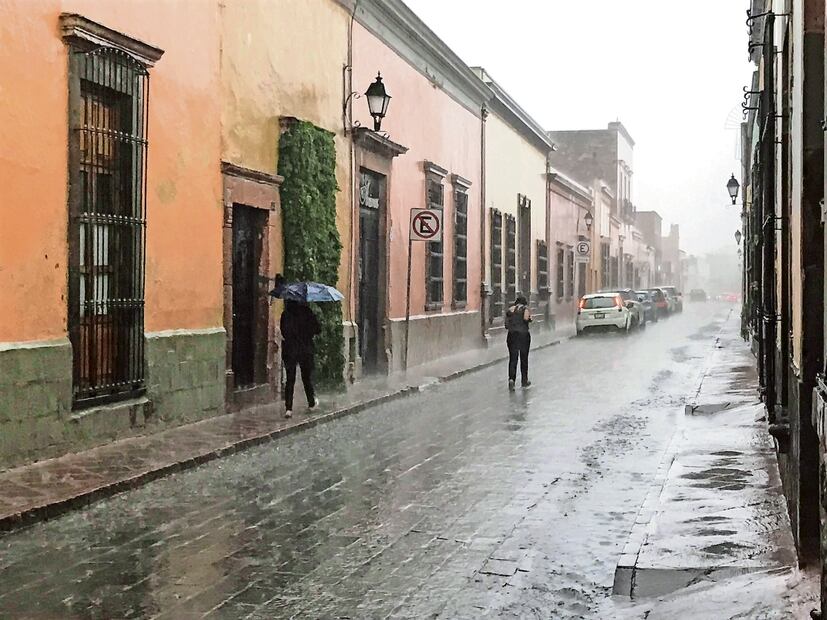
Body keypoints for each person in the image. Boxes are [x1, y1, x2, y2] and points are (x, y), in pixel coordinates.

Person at [280, 299, 321, 418]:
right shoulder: (307, 312)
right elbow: (318, 329)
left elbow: (283, 332)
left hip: (290, 350)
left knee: (290, 379)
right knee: (306, 378)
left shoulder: (285, 314)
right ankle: (311, 402)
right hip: (305, 349)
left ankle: (288, 408)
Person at [505, 295, 532, 391]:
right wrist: (529, 319)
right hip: (523, 336)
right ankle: (524, 380)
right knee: (524, 358)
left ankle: (511, 379)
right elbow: (526, 319)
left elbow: (506, 324)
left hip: (511, 335)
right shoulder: (525, 309)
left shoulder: (511, 309)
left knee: (513, 358)